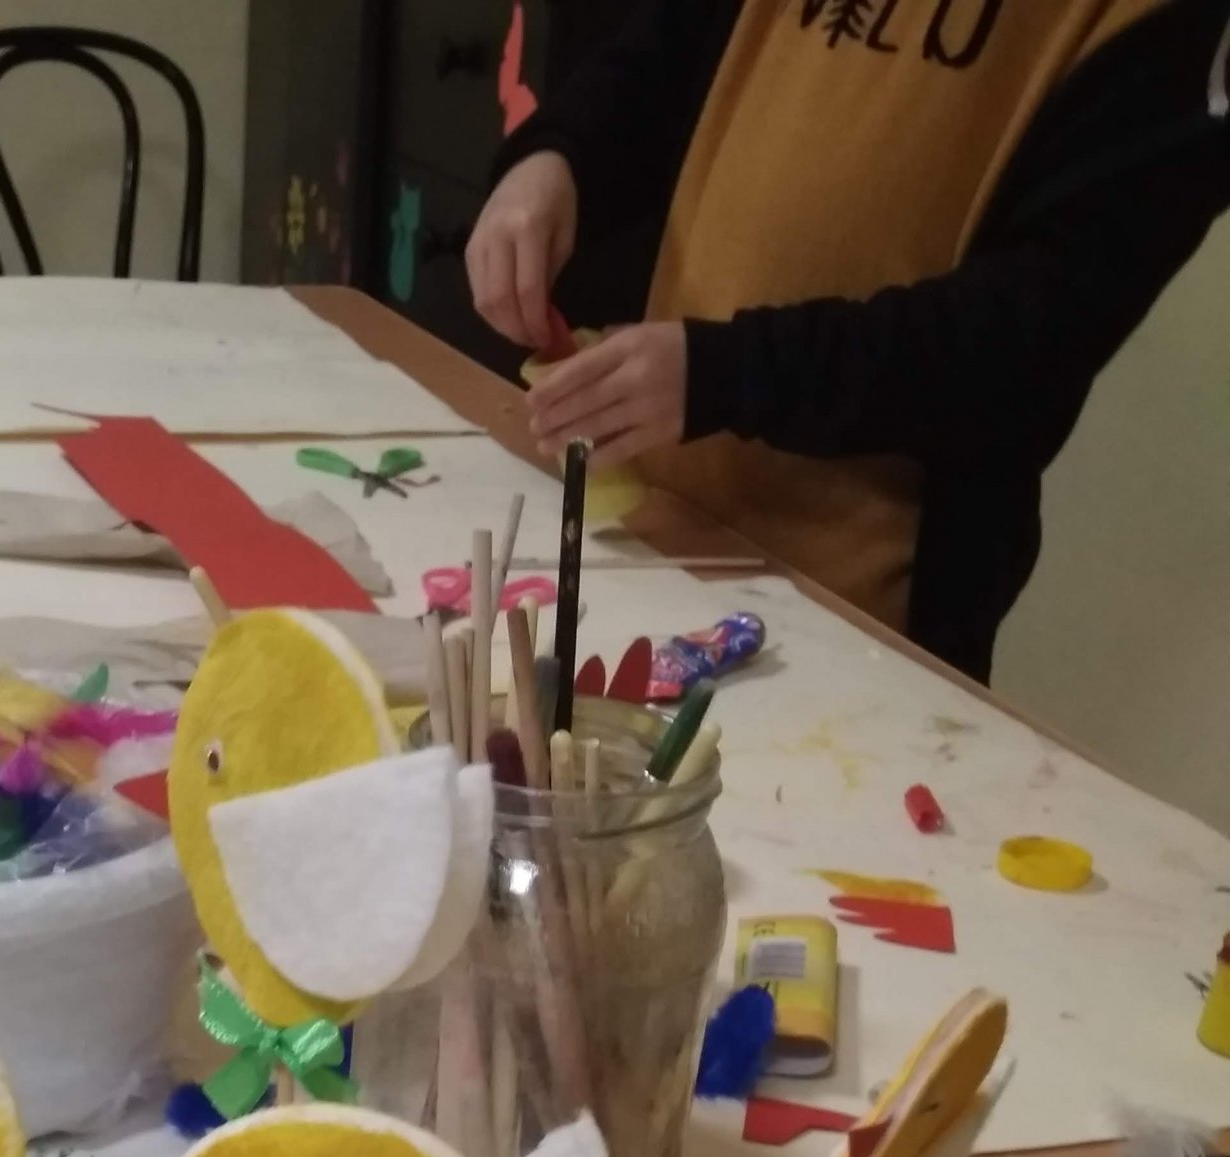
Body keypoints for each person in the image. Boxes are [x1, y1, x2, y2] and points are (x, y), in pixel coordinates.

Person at [466, 0, 1230, 679]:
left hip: (868, 617)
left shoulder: (1165, 26)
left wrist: (725, 375)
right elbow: (665, 56)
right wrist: (555, 158)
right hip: (665, 524)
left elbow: (1025, 340)